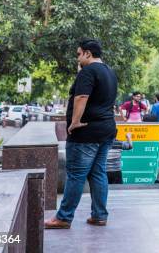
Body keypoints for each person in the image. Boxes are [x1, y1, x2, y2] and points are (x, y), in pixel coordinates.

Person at [45, 39, 118, 229]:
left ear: (87, 53)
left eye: (79, 54)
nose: (77, 58)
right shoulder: (109, 72)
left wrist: (75, 121)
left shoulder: (89, 71)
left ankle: (63, 217)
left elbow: (81, 96)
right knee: (98, 173)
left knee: (76, 175)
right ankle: (99, 215)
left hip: (86, 132)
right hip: (106, 130)